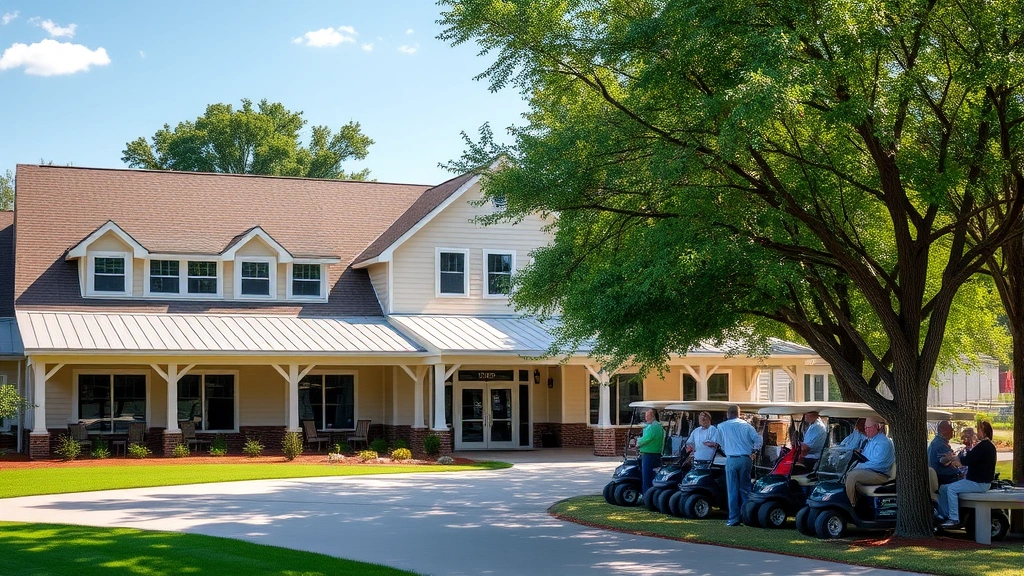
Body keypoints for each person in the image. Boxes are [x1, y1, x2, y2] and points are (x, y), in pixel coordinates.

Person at [938, 421, 997, 528]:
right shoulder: (988, 445)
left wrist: (953, 458)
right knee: (943, 488)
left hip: (978, 482)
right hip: (979, 481)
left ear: (984, 432)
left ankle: (954, 519)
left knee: (951, 489)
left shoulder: (984, 446)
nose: (977, 433)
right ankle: (944, 514)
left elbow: (966, 460)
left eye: (978, 430)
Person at [717, 404, 762, 526]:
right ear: (739, 413)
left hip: (731, 458)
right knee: (745, 488)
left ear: (728, 414)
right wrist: (754, 450)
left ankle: (733, 518)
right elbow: (758, 440)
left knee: (732, 489)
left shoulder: (721, 426)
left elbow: (718, 441)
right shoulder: (747, 426)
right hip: (745, 458)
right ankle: (747, 516)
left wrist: (726, 446)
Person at [844, 417, 895, 506]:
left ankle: (852, 505)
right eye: (865, 427)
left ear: (876, 427)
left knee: (852, 476)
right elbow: (866, 458)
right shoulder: (871, 441)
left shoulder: (883, 442)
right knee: (847, 474)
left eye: (868, 428)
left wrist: (858, 467)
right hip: (871, 471)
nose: (866, 430)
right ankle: (858, 502)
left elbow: (878, 463)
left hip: (881, 474)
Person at [635, 409, 665, 496]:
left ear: (652, 415)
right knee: (650, 475)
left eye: (647, 416)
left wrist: (638, 442)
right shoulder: (656, 426)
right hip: (652, 453)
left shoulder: (654, 426)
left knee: (647, 476)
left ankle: (647, 495)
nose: (646, 418)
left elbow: (647, 438)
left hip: (650, 454)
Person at [929, 420, 959, 487]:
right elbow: (943, 460)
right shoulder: (940, 445)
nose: (952, 431)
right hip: (946, 479)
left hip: (943, 477)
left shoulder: (937, 442)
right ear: (942, 430)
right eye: (950, 429)